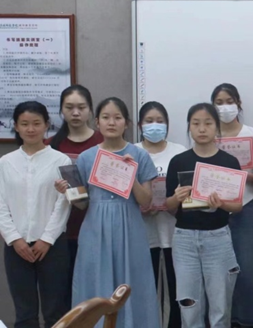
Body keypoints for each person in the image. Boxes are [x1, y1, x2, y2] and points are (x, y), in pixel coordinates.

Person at [56, 97, 160, 328]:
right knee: (95, 281)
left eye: (117, 117)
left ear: (127, 123)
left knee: (131, 280)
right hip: (95, 227)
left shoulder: (139, 155)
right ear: (97, 122)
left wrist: (129, 174)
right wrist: (68, 192)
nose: (111, 122)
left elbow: (145, 200)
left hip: (129, 226)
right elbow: (83, 204)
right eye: (106, 117)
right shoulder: (86, 157)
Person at [166, 103, 243, 328]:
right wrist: (176, 198)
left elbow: (237, 206)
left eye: (208, 123)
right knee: (189, 304)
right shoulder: (178, 161)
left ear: (216, 127)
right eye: (196, 123)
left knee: (220, 307)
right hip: (184, 239)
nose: (202, 129)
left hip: (217, 237)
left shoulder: (229, 162)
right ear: (189, 127)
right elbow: (169, 207)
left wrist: (221, 204)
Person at [0, 101, 72, 328]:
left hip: (53, 246)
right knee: (25, 313)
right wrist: (14, 239)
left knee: (55, 311)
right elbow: (0, 204)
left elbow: (63, 204)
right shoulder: (5, 163)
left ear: (46, 125)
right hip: (16, 247)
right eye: (24, 124)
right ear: (16, 126)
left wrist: (47, 239)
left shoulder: (61, 160)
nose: (30, 129)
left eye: (36, 123)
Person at [211, 83, 253, 328]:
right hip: (214, 210)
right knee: (218, 273)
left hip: (248, 206)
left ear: (239, 104)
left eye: (229, 101)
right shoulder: (209, 135)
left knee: (249, 272)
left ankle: (251, 321)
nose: (225, 107)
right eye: (219, 102)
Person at [136, 101, 185, 328]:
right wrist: (142, 204)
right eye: (149, 121)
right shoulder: (132, 152)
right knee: (147, 290)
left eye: (159, 121)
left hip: (175, 232)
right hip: (143, 234)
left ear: (167, 124)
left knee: (177, 290)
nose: (154, 125)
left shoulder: (179, 152)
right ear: (139, 125)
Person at [48, 84, 103, 283]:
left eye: (81, 107)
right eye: (69, 107)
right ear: (61, 110)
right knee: (63, 290)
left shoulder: (104, 141)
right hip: (59, 230)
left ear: (90, 110)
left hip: (96, 228)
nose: (76, 112)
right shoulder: (50, 145)